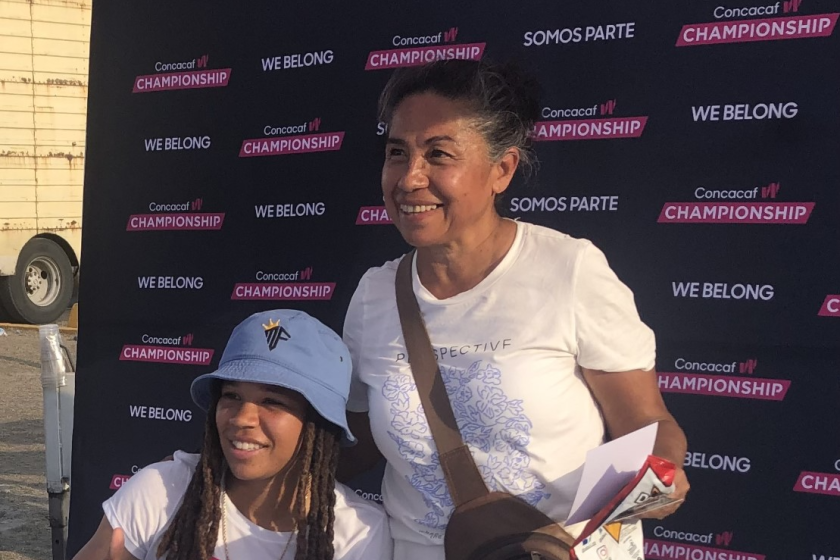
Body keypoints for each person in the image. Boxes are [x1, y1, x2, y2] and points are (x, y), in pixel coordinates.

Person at [339, 59, 689, 560]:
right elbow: (361, 443)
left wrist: (658, 476)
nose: (410, 178)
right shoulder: (374, 295)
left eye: (438, 154)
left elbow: (647, 424)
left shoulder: (569, 270)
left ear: (501, 169)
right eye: (397, 153)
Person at [73, 309, 393, 560]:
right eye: (232, 396)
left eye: (272, 401)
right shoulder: (159, 492)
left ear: (318, 423)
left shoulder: (358, 535)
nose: (242, 418)